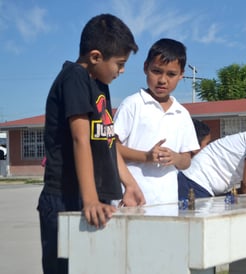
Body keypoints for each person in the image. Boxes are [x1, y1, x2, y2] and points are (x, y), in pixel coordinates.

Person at [37, 14, 145, 274]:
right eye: (119, 64)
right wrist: (89, 200)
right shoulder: (74, 77)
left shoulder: (99, 84)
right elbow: (80, 138)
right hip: (68, 198)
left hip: (96, 199)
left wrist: (129, 183)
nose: (122, 71)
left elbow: (107, 140)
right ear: (96, 56)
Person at [114, 38, 199, 206]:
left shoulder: (182, 113)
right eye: (157, 71)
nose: (162, 80)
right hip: (131, 198)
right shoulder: (132, 104)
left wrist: (175, 158)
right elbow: (111, 147)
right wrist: (146, 156)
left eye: (171, 74)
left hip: (166, 201)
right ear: (146, 67)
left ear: (181, 75)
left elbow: (187, 160)